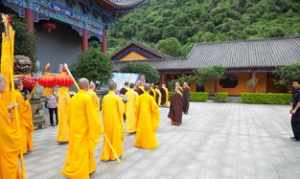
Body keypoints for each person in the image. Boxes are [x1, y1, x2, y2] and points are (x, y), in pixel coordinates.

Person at [62, 78, 99, 178]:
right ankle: (81, 171)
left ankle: (86, 167)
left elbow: (69, 116)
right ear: (87, 86)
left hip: (74, 130)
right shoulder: (87, 98)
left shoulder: (73, 98)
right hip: (84, 131)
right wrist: (95, 130)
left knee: (75, 151)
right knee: (83, 151)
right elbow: (92, 117)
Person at [0, 74, 26, 179]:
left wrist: (8, 110)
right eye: (4, 83)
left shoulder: (3, 98)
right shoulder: (17, 95)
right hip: (5, 139)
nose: (6, 85)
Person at [101, 80, 124, 161]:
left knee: (107, 138)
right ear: (115, 88)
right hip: (115, 121)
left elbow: (102, 110)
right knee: (115, 138)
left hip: (107, 121)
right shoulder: (117, 98)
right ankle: (115, 154)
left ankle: (106, 155)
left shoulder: (104, 98)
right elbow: (121, 111)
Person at [135, 83, 160, 149]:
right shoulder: (150, 98)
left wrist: (137, 115)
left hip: (141, 116)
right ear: (149, 89)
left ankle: (140, 143)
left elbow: (137, 107)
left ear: (144, 89)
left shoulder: (140, 97)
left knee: (141, 129)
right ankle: (147, 143)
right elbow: (155, 109)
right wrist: (155, 115)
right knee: (148, 130)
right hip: (148, 117)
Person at [14, 79, 34, 154]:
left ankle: (25, 148)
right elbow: (22, 109)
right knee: (22, 134)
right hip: (20, 118)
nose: (22, 86)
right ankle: (22, 149)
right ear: (18, 86)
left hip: (18, 118)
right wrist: (27, 101)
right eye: (21, 84)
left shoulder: (15, 93)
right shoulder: (18, 95)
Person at [56, 77, 71, 143]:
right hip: (66, 113)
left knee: (61, 125)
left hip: (61, 112)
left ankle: (61, 137)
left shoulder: (60, 93)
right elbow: (69, 103)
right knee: (65, 125)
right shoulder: (65, 94)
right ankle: (65, 138)